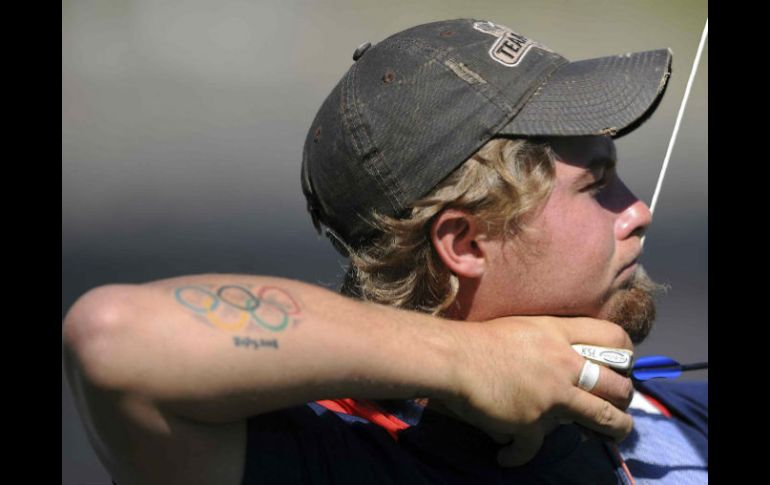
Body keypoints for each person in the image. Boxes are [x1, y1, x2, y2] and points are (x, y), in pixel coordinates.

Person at [62, 18, 706, 485]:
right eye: (597, 185)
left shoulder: (673, 414)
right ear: (465, 243)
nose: (639, 211)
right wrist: (471, 361)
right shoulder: (342, 458)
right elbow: (114, 336)